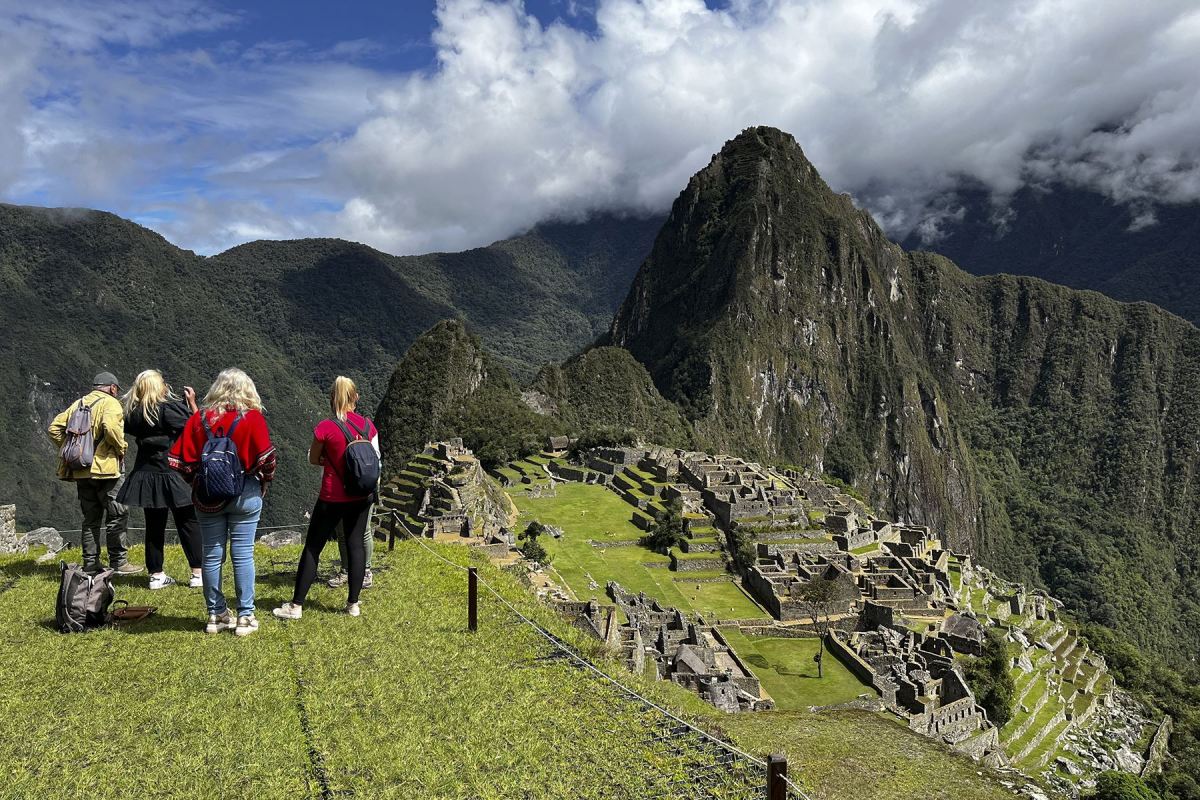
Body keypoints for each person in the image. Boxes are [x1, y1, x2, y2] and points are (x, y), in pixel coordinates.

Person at [169, 368, 276, 636]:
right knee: (242, 554)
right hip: (245, 493)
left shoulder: (199, 419)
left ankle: (215, 615)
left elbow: (178, 461)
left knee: (212, 555)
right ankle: (245, 617)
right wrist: (264, 481)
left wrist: (195, 482)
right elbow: (268, 459)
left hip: (207, 498)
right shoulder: (252, 418)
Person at [274, 376, 378, 620]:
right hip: (362, 495)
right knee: (356, 546)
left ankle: (296, 605)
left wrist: (329, 459)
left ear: (332, 399)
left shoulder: (326, 428)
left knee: (313, 547)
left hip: (332, 496)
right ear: (356, 398)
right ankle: (353, 604)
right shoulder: (367, 426)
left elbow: (313, 458)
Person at [47, 371, 140, 575]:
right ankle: (119, 562)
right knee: (117, 514)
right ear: (113, 388)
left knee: (90, 518)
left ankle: (90, 563)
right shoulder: (111, 403)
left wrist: (73, 449)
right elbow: (110, 428)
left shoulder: (79, 403)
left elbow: (54, 428)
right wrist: (121, 447)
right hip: (107, 470)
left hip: (81, 469)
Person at [117, 370, 203, 590]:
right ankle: (197, 572)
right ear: (158, 386)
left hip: (146, 473)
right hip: (171, 472)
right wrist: (191, 403)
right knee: (187, 522)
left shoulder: (134, 414)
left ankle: (156, 574)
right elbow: (197, 428)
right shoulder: (168, 410)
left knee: (154, 525)